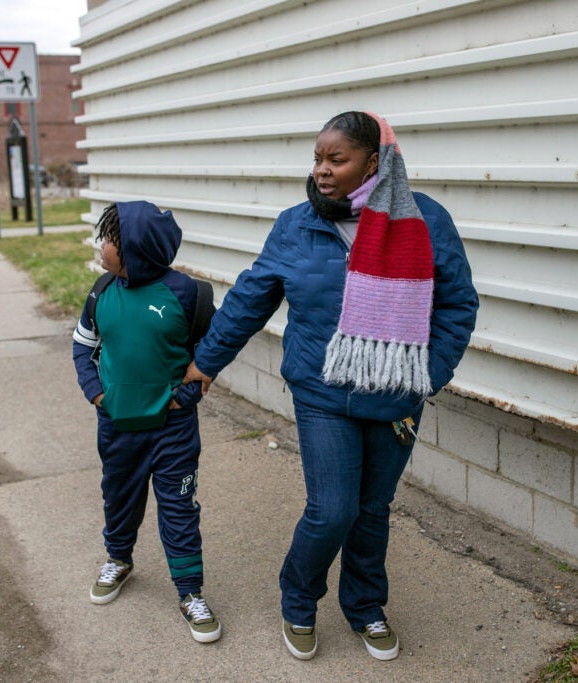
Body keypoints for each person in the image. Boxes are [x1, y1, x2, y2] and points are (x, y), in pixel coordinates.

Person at [184, 111, 478, 660]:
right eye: (317, 158)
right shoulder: (297, 224)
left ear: (374, 161)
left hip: (396, 395)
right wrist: (207, 362)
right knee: (333, 510)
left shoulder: (426, 220)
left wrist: (428, 373)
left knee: (372, 509)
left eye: (335, 159)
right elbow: (251, 298)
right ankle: (298, 598)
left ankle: (365, 607)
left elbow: (458, 304)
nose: (321, 170)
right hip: (322, 394)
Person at [73, 201, 220, 643]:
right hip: (118, 427)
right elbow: (82, 348)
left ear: (137, 247)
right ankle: (119, 558)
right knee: (119, 497)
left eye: (111, 237)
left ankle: (190, 592)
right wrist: (98, 394)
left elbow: (209, 355)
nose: (102, 245)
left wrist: (186, 395)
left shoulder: (188, 295)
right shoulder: (101, 291)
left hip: (173, 430)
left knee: (178, 508)